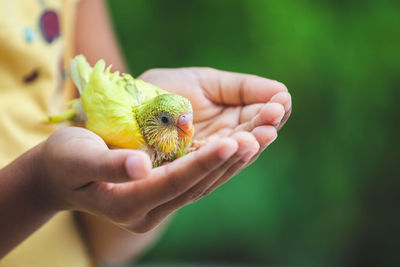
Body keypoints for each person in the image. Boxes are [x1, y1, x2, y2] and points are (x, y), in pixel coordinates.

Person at [0, 0, 292, 266]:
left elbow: (110, 244)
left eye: (184, 122)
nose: (185, 132)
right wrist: (40, 186)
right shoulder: (125, 132)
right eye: (169, 121)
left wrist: (144, 206)